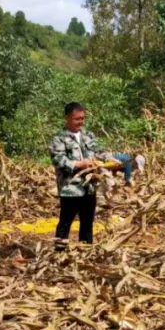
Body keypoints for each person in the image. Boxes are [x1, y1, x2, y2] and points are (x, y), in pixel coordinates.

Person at [49, 102, 116, 245]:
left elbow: (99, 152)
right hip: (70, 188)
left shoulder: (88, 135)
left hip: (89, 187)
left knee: (87, 223)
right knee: (66, 222)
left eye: (82, 118)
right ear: (67, 118)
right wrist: (79, 164)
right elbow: (58, 160)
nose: (81, 122)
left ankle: (85, 252)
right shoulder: (59, 139)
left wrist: (111, 159)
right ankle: (59, 253)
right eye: (77, 119)